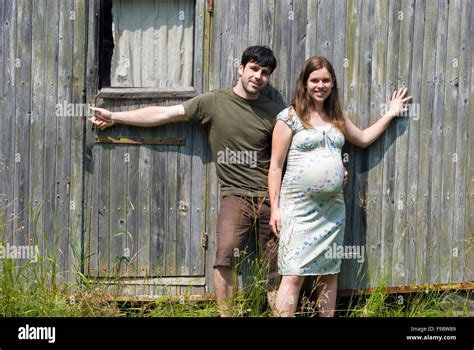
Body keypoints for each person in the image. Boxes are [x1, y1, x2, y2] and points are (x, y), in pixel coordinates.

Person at [90, 46, 283, 316]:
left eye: (265, 73)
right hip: (235, 195)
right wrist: (116, 117)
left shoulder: (275, 113)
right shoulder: (214, 102)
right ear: (241, 69)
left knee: (276, 269)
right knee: (224, 258)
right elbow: (164, 114)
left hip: (271, 199)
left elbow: (294, 150)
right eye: (254, 68)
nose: (258, 76)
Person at [268, 56, 412, 317]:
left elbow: (364, 139)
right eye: (314, 80)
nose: (320, 85)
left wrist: (391, 112)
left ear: (333, 83)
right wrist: (275, 209)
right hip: (298, 209)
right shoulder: (289, 117)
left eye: (326, 80)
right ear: (304, 83)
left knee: (329, 272)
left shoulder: (336, 116)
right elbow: (276, 166)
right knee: (293, 273)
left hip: (332, 210)